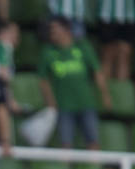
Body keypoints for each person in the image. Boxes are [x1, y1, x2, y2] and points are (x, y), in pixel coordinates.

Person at [39, 16, 111, 150]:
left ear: (66, 30)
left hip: (86, 103)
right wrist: (50, 102)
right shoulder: (48, 52)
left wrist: (105, 95)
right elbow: (43, 80)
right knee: (66, 144)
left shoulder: (83, 47)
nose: (52, 33)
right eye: (51, 31)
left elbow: (97, 72)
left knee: (93, 142)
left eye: (55, 30)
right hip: (64, 105)